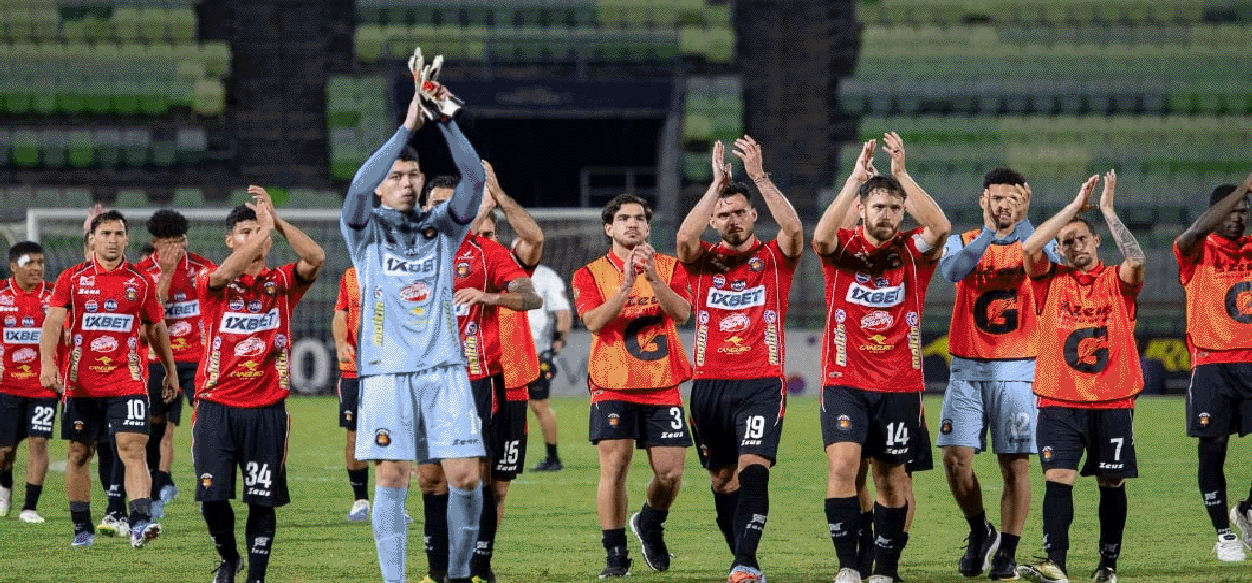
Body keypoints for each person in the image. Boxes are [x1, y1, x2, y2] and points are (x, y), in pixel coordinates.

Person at [342, 49, 488, 583]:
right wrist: (406, 126)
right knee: (393, 476)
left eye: (414, 174)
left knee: (468, 479)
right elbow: (359, 186)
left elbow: (473, 179)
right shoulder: (363, 230)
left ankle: (454, 575)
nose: (407, 182)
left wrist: (444, 119)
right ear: (385, 183)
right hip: (384, 373)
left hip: (444, 370)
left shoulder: (444, 229)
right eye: (398, 175)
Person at [811, 134, 950, 583]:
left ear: (902, 211)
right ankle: (849, 566)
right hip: (845, 379)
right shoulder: (843, 251)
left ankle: (885, 570)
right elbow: (820, 235)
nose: (887, 214)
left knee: (891, 477)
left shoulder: (912, 254)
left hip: (899, 384)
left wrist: (904, 176)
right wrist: (854, 180)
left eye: (895, 207)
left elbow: (942, 228)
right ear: (863, 209)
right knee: (843, 466)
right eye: (879, 207)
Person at [675, 136, 802, 583]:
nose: (731, 220)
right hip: (709, 385)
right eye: (723, 215)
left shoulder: (772, 258)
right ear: (714, 220)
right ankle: (743, 557)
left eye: (738, 212)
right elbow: (683, 238)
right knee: (722, 480)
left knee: (753, 472)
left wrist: (759, 177)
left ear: (753, 216)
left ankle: (743, 564)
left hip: (760, 383)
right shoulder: (703, 260)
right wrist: (716, 185)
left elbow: (795, 231)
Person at [1016, 171, 1145, 583]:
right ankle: (1055, 562)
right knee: (1059, 477)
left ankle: (1108, 565)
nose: (1074, 245)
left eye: (1081, 238)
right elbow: (1029, 246)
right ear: (1060, 249)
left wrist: (1105, 209)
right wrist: (1074, 207)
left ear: (1096, 242)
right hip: (1059, 398)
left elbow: (1137, 260)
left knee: (1111, 480)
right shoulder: (1048, 282)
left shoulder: (1116, 282)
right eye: (1066, 241)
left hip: (1112, 398)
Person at [936, 167, 1062, 579]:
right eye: (996, 197)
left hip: (1019, 366)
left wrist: (1024, 225)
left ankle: (1007, 549)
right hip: (968, 367)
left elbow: (1055, 269)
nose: (1003, 204)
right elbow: (953, 272)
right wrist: (992, 231)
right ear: (982, 200)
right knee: (956, 460)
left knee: (1015, 464)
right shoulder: (964, 240)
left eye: (1012, 197)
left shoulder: (1037, 240)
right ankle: (980, 532)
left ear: (1022, 201)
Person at [417, 171, 541, 583]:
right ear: (424, 208)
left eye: (450, 204)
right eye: (435, 204)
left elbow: (531, 296)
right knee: (430, 479)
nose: (441, 211)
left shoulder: (486, 252)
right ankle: (437, 572)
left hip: (477, 380)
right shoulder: (405, 249)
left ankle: (473, 567)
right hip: (421, 380)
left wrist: (488, 296)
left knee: (476, 478)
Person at [197, 187, 324, 583]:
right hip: (217, 406)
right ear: (229, 239)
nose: (256, 238)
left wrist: (277, 222)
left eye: (260, 233)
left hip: (267, 408)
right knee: (213, 496)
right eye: (246, 232)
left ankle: (257, 577)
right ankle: (229, 558)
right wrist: (260, 231)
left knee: (260, 497)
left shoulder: (282, 283)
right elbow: (226, 273)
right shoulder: (212, 280)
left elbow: (316, 258)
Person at [38, 209, 180, 548]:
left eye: (118, 234)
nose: (112, 240)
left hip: (127, 380)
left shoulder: (140, 281)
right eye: (106, 234)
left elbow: (157, 328)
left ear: (127, 240)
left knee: (133, 449)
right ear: (92, 240)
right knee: (79, 454)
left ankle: (140, 524)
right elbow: (53, 323)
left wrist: (170, 370)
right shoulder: (72, 279)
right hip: (81, 383)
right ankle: (82, 527)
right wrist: (47, 363)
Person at [572, 193, 694, 578]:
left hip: (662, 384)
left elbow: (682, 313)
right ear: (609, 228)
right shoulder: (589, 274)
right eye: (623, 218)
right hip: (613, 384)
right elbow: (593, 322)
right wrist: (625, 287)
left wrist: (653, 278)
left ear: (647, 226)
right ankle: (615, 553)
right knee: (615, 466)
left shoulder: (670, 267)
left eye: (639, 218)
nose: (632, 224)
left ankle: (650, 523)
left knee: (670, 473)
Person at [1173, 173, 1252, 561]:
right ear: (1216, 214)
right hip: (1212, 365)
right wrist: (1243, 189)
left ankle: (1248, 509)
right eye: (1231, 211)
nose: (1238, 217)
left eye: (1245, 211)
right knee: (1212, 451)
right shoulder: (1197, 251)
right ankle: (1224, 532)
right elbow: (1191, 234)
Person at [135, 209, 216, 518]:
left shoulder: (204, 269)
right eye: (169, 243)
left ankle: (209, 490)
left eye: (181, 241)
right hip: (158, 361)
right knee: (154, 429)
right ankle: (155, 490)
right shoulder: (142, 274)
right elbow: (149, 320)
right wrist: (166, 275)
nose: (177, 249)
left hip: (198, 360)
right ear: (156, 244)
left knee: (209, 422)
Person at [0, 242, 56, 523]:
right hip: (6, 386)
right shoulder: (0, 295)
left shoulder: (54, 296)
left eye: (40, 262)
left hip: (43, 386)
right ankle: (4, 484)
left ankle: (29, 507)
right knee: (5, 451)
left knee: (39, 441)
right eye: (29, 263)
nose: (36, 268)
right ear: (13, 266)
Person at [332, 265, 373, 521]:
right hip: (354, 369)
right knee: (355, 438)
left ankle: (395, 503)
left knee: (396, 437)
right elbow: (340, 314)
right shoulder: (350, 274)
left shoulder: (400, 271)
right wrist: (340, 342)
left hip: (391, 367)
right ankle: (360, 500)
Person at [526, 259, 571, 472]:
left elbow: (562, 313)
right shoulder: (505, 270)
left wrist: (557, 344)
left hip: (536, 351)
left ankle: (553, 457)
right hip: (506, 350)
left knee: (539, 404)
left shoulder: (546, 276)